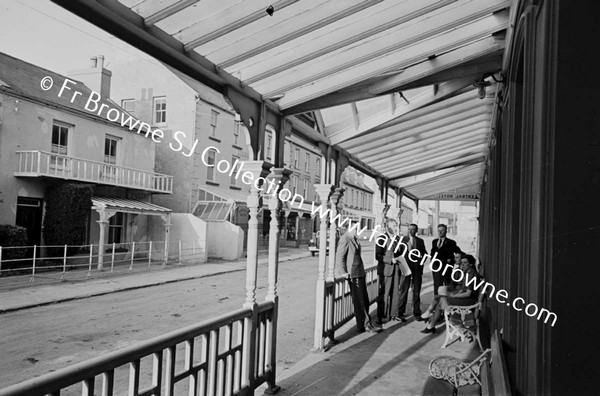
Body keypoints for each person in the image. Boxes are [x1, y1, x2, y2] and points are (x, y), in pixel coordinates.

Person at [335, 223, 380, 333]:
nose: (357, 230)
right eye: (355, 228)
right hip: (353, 274)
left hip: (359, 273)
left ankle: (362, 325)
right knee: (359, 300)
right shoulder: (345, 239)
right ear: (349, 228)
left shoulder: (353, 238)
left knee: (364, 299)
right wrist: (343, 272)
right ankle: (366, 324)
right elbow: (339, 257)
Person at [421, 254, 481, 334]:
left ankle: (430, 321)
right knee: (439, 298)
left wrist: (454, 296)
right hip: (464, 298)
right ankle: (430, 322)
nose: (462, 264)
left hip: (468, 301)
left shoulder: (471, 275)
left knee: (440, 300)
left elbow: (468, 293)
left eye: (465, 263)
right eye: (462, 263)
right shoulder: (467, 272)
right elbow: (463, 289)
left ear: (471, 264)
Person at [421, 250, 465, 320]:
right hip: (455, 291)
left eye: (457, 257)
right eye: (455, 257)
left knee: (439, 297)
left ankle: (431, 312)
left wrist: (453, 293)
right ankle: (433, 313)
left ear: (462, 259)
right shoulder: (458, 269)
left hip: (459, 293)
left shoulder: (464, 271)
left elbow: (463, 287)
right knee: (440, 291)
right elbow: (452, 283)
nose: (454, 259)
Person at [397, 223, 428, 321]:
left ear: (416, 231)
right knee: (403, 290)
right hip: (405, 268)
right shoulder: (402, 240)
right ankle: (400, 312)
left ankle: (417, 312)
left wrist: (421, 263)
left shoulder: (420, 241)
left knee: (416, 290)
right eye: (409, 229)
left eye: (413, 229)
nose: (410, 231)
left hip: (416, 269)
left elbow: (425, 254)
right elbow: (397, 253)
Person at [375, 218, 403, 322]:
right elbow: (378, 256)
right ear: (388, 227)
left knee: (395, 292)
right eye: (394, 226)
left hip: (396, 270)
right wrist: (390, 260)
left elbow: (399, 253)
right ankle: (380, 316)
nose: (396, 228)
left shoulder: (397, 239)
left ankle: (394, 314)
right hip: (386, 270)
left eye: (396, 226)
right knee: (384, 294)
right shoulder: (381, 238)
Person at [430, 224, 461, 295]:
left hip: (446, 267)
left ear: (446, 231)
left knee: (447, 285)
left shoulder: (451, 242)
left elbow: (458, 252)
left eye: (442, 230)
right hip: (436, 267)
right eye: (439, 231)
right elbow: (432, 253)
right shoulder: (434, 242)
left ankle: (448, 302)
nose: (440, 232)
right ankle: (437, 302)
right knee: (437, 286)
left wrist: (451, 260)